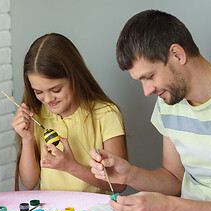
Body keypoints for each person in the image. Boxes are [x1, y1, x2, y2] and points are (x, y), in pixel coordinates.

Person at [89, 10, 211, 211]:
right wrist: (128, 174)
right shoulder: (169, 102)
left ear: (177, 54)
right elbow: (173, 177)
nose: (147, 90)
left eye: (149, 76)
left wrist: (169, 206)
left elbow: (170, 201)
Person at [12, 33, 127, 194]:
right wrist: (27, 138)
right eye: (38, 92)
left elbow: (119, 184)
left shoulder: (106, 114)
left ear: (75, 77)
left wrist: (71, 167)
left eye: (56, 90)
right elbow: (29, 183)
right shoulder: (36, 115)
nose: (48, 99)